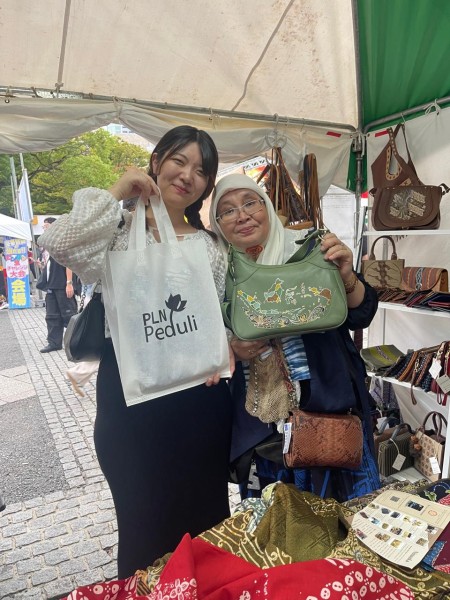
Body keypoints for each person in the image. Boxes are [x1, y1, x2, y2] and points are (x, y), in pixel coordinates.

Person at [38, 126, 233, 578]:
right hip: (133, 404)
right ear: (157, 160)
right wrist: (118, 191)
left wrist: (225, 349)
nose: (187, 175)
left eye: (201, 170)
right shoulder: (115, 232)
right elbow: (60, 243)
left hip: (200, 404)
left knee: (205, 528)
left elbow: (218, 316)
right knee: (144, 532)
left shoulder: (210, 246)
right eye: (178, 161)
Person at [209, 173, 381, 503]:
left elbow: (361, 314)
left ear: (267, 205)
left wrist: (346, 276)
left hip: (330, 413)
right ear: (218, 223)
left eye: (250, 202)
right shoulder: (221, 270)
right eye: (227, 210)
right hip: (263, 426)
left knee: (346, 517)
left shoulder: (308, 249)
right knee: (276, 528)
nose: (242, 215)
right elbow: (208, 338)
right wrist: (230, 348)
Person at [39, 217, 78, 353]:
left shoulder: (62, 240)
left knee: (68, 313)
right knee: (51, 315)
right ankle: (54, 342)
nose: (44, 229)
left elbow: (69, 263)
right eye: (43, 227)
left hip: (62, 283)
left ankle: (77, 340)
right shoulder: (47, 243)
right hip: (51, 284)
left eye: (46, 226)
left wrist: (69, 282)